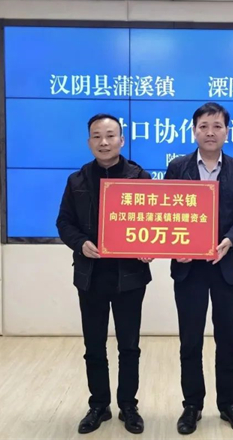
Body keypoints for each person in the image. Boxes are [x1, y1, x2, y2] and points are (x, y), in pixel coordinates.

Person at [56, 113, 153, 435]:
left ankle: (128, 405)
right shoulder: (77, 180)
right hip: (91, 275)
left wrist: (150, 246)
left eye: (110, 135)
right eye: (97, 136)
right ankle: (99, 405)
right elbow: (64, 223)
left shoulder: (140, 178)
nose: (104, 142)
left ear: (122, 140)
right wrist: (80, 243)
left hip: (130, 276)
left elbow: (154, 222)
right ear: (89, 142)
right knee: (94, 345)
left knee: (129, 346)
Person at [164, 102, 233, 435]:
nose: (210, 132)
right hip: (189, 269)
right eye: (204, 126)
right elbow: (166, 213)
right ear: (194, 131)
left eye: (217, 126)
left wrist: (229, 241)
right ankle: (192, 405)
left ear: (226, 131)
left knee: (227, 340)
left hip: (226, 266)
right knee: (190, 340)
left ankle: (229, 404)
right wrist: (177, 247)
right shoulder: (178, 167)